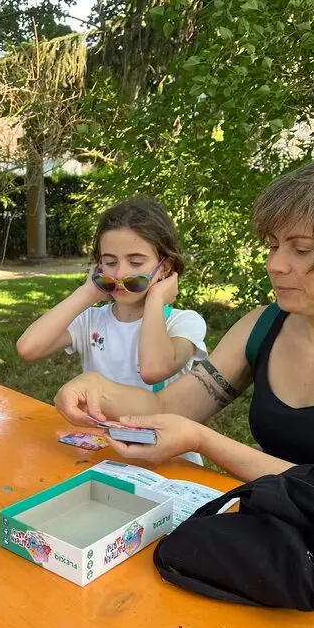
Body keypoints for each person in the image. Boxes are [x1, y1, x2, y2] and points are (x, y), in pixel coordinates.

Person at [54, 156, 314, 489]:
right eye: (272, 246)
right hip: (280, 536)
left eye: (300, 249)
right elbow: (167, 405)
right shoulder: (265, 326)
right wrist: (98, 389)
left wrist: (202, 441)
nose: (275, 265)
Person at [17, 196, 208, 463]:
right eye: (110, 262)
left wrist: (155, 300)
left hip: (169, 460)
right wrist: (87, 293)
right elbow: (29, 347)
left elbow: (154, 369)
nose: (120, 274)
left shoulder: (184, 322)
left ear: (164, 268)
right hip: (105, 452)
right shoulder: (91, 320)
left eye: (136, 262)